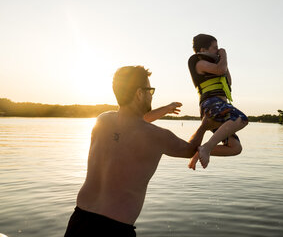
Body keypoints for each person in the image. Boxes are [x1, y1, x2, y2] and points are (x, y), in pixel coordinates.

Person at [64, 66, 215, 237]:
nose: (151, 94)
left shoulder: (102, 121)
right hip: (114, 229)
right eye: (150, 90)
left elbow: (133, 123)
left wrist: (165, 109)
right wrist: (204, 125)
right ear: (139, 93)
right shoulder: (157, 136)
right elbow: (189, 150)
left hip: (79, 220)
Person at [188, 34, 249, 169]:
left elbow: (228, 80)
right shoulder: (199, 63)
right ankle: (207, 148)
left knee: (235, 148)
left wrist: (221, 59)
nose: (218, 50)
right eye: (215, 48)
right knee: (241, 118)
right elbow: (220, 69)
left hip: (221, 107)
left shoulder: (216, 63)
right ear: (203, 50)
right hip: (211, 105)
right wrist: (224, 54)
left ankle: (201, 150)